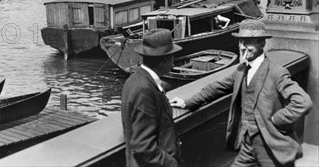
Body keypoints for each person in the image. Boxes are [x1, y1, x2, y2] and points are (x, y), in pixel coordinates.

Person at [170, 19, 312, 167]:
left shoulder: (277, 73)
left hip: (270, 146)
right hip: (247, 143)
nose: (243, 47)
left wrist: (276, 120)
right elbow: (216, 87)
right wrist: (187, 102)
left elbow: (302, 102)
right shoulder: (241, 71)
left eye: (249, 42)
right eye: (241, 41)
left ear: (262, 43)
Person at [122, 28, 183, 167]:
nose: (173, 62)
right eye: (172, 57)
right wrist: (172, 163)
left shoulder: (136, 80)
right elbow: (143, 146)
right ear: (164, 60)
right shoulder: (144, 89)